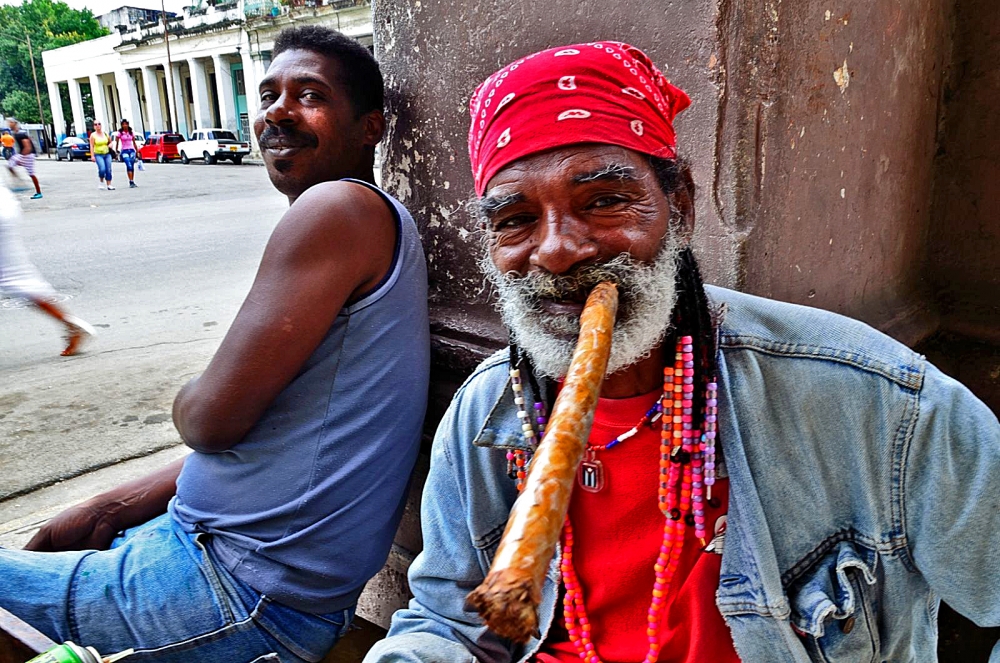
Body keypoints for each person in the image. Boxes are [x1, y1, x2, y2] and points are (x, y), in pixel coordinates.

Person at [366, 42, 1000, 663]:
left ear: (681, 207)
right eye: (515, 220)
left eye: (605, 201)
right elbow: (447, 620)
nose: (557, 251)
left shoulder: (881, 401)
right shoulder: (486, 410)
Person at [0, 25, 430, 662]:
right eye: (269, 95)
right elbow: (285, 430)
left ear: (371, 128)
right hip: (212, 565)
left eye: (309, 95)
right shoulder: (362, 220)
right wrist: (114, 502)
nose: (278, 113)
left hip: (231, 593)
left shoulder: (336, 210)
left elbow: (210, 420)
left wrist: (190, 396)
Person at [0, 184, 94, 355]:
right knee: (14, 276)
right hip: (5, 202)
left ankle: (72, 326)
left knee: (14, 278)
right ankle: (70, 325)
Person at [5, 119, 42, 199]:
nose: (8, 124)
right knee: (11, 165)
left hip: (27, 155)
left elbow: (27, 146)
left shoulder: (20, 133)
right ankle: (37, 192)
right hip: (27, 155)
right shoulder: (17, 133)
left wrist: (22, 156)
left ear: (14, 123)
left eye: (10, 123)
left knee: (30, 173)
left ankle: (19, 182)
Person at [113, 119, 139, 188]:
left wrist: (137, 151)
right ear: (121, 125)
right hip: (124, 150)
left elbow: (134, 142)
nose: (125, 125)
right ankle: (130, 181)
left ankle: (132, 180)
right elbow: (117, 142)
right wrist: (116, 151)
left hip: (132, 150)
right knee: (128, 164)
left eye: (126, 124)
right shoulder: (120, 133)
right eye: (123, 124)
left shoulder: (131, 132)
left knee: (132, 165)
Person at [89, 121, 114, 190]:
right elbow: (91, 146)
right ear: (94, 126)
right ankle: (101, 181)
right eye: (95, 124)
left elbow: (110, 142)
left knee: (108, 169)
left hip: (107, 153)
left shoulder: (105, 133)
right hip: (98, 154)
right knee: (102, 169)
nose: (97, 125)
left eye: (99, 124)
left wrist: (111, 144)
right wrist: (92, 156)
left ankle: (109, 184)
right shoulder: (93, 135)